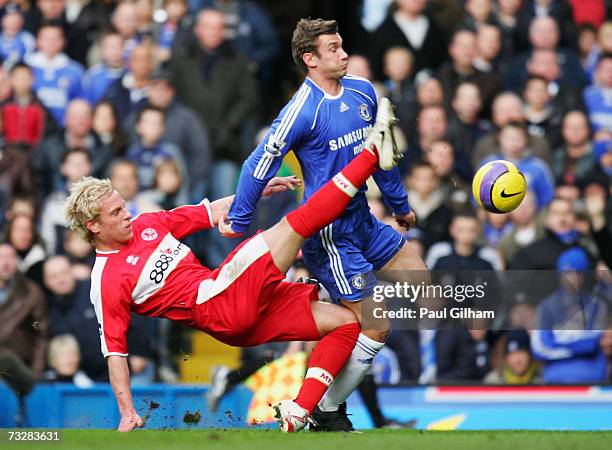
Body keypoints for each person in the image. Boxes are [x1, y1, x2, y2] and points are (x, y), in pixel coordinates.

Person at [63, 97, 403, 432]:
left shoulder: (148, 223)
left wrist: (258, 189)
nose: (127, 214)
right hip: (216, 302)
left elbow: (209, 211)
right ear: (93, 226)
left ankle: (302, 411)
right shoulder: (106, 279)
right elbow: (115, 352)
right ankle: (370, 155)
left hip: (233, 308)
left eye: (124, 206)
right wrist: (127, 412)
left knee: (345, 323)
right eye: (117, 213)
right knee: (298, 223)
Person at [226, 18, 428, 431]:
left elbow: (380, 155)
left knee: (424, 287)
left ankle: (325, 394)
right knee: (375, 323)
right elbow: (257, 163)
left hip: (364, 220)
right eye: (333, 48)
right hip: (329, 233)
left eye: (341, 45)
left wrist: (400, 205)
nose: (344, 54)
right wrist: (240, 218)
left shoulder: (362, 91)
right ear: (310, 59)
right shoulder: (301, 111)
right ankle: (327, 407)